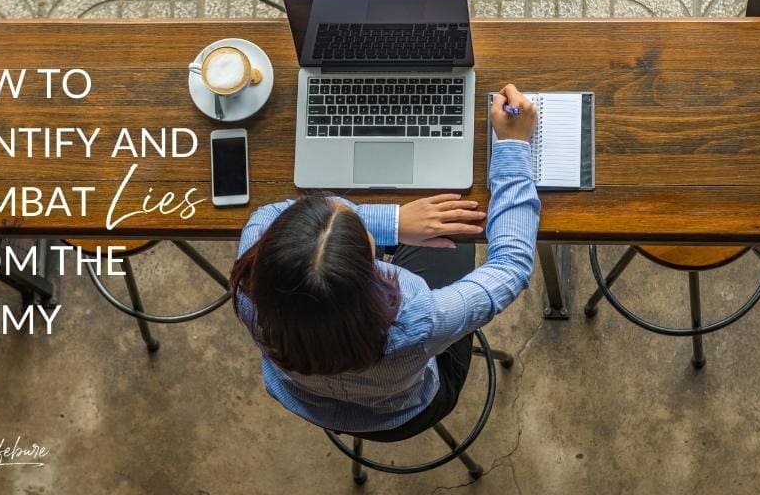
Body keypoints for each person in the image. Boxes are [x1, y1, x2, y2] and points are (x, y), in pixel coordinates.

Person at [231, 84, 540, 439]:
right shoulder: (418, 322)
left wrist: (393, 222)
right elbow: (511, 267)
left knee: (442, 232)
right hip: (407, 412)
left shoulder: (248, 280)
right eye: (364, 232)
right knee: (454, 238)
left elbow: (273, 213)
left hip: (307, 400)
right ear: (368, 265)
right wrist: (514, 147)